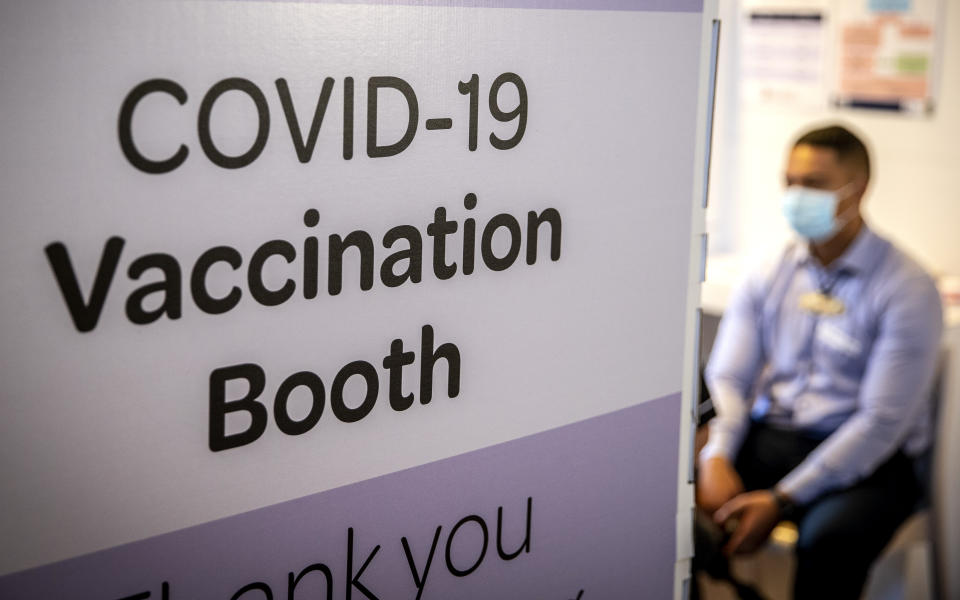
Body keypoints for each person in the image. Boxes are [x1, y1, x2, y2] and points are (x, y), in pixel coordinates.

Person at [696, 124, 943, 599]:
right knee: (672, 497)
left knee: (829, 541)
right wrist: (717, 455)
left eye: (813, 184)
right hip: (778, 435)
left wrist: (782, 501)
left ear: (857, 189)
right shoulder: (769, 271)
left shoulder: (906, 289)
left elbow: (879, 423)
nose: (796, 196)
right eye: (789, 181)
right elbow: (729, 376)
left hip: (868, 460)